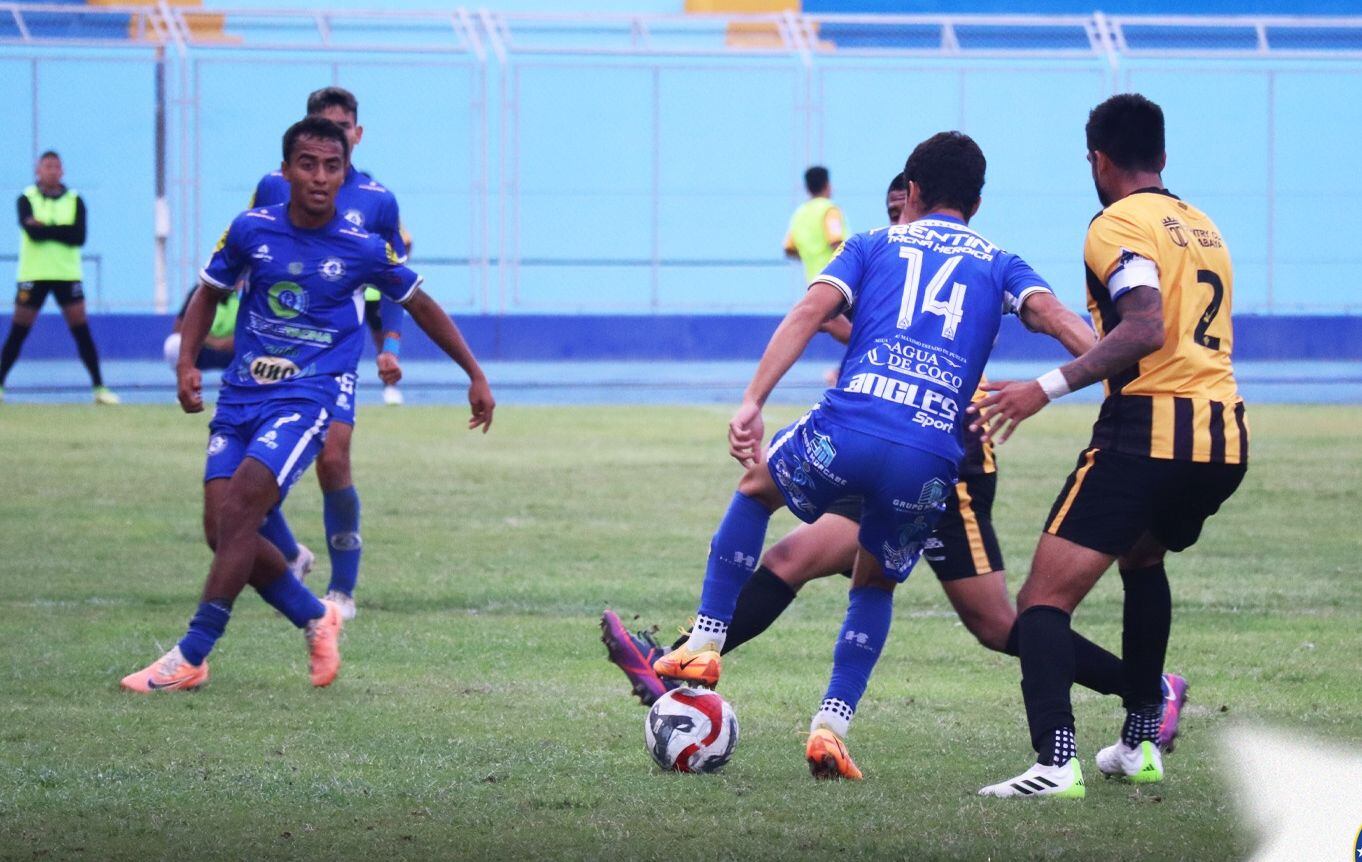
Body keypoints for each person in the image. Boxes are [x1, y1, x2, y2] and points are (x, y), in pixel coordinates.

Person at [603, 174, 1187, 766]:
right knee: (792, 559)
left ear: (914, 195)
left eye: (900, 208)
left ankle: (1148, 691)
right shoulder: (952, 258)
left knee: (995, 624)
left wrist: (1068, 381)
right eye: (889, 212)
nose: (900, 222)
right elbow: (1044, 323)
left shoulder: (887, 248)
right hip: (901, 446)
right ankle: (690, 671)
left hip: (951, 465)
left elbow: (836, 316)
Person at [650, 133, 1080, 780]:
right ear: (978, 201)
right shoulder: (1001, 262)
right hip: (932, 456)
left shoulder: (874, 243)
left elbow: (809, 312)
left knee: (757, 490)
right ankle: (830, 727)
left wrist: (752, 400)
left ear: (912, 192)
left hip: (851, 427)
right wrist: (1100, 362)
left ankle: (706, 642)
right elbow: (1060, 321)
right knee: (875, 579)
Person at [120, 116, 494, 692]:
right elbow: (209, 292)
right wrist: (188, 360)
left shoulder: (363, 247)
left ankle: (191, 654)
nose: (320, 177)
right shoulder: (251, 229)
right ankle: (314, 617)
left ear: (345, 174)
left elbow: (420, 304)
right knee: (223, 530)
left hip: (308, 394)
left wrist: (473, 372)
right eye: (308, 164)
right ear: (287, 170)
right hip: (243, 393)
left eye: (332, 166)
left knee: (244, 507)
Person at [976, 94, 1247, 799]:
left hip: (1148, 433)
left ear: (1097, 159)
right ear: (1162, 155)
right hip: (1223, 439)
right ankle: (1138, 742)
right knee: (1143, 557)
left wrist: (1044, 386)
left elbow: (1145, 325)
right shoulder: (1203, 225)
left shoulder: (1115, 223)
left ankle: (1055, 761)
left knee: (1039, 604)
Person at [250, 86, 410, 620]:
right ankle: (292, 555)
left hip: (335, 353)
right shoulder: (271, 189)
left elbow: (395, 284)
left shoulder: (377, 201)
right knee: (253, 471)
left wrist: (389, 344)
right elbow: (249, 258)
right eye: (319, 125)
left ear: (356, 136)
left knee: (333, 459)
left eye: (340, 129)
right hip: (271, 353)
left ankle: (342, 591)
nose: (329, 139)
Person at [0, 151, 118, 404]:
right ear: (38, 170)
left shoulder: (75, 200)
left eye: (56, 166)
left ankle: (99, 388)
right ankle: (0, 384)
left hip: (66, 274)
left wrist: (45, 228)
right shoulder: (26, 198)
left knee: (81, 330)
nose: (52, 171)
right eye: (47, 166)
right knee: (18, 331)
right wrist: (58, 231)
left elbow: (78, 236)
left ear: (62, 171)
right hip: (33, 273)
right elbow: (32, 233)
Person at [783, 166, 847, 285]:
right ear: (827, 185)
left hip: (812, 283)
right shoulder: (829, 210)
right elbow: (837, 243)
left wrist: (809, 255)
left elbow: (789, 249)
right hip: (835, 281)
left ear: (807, 188)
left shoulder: (799, 214)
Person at [164, 283, 238, 370]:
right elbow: (180, 328)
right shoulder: (201, 291)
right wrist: (216, 342)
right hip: (203, 350)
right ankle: (186, 374)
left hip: (235, 351)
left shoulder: (248, 294)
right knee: (174, 343)